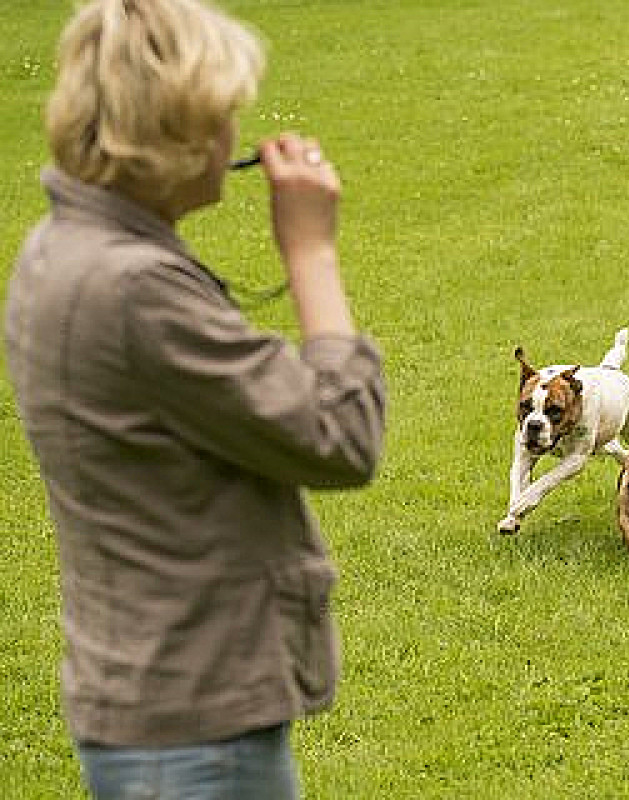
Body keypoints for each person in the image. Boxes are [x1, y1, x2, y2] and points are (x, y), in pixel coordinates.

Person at [3, 0, 386, 797]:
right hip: (193, 735)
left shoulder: (58, 249)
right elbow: (342, 437)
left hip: (148, 698)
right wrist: (311, 250)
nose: (232, 136)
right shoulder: (134, 290)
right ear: (172, 136)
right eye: (222, 116)